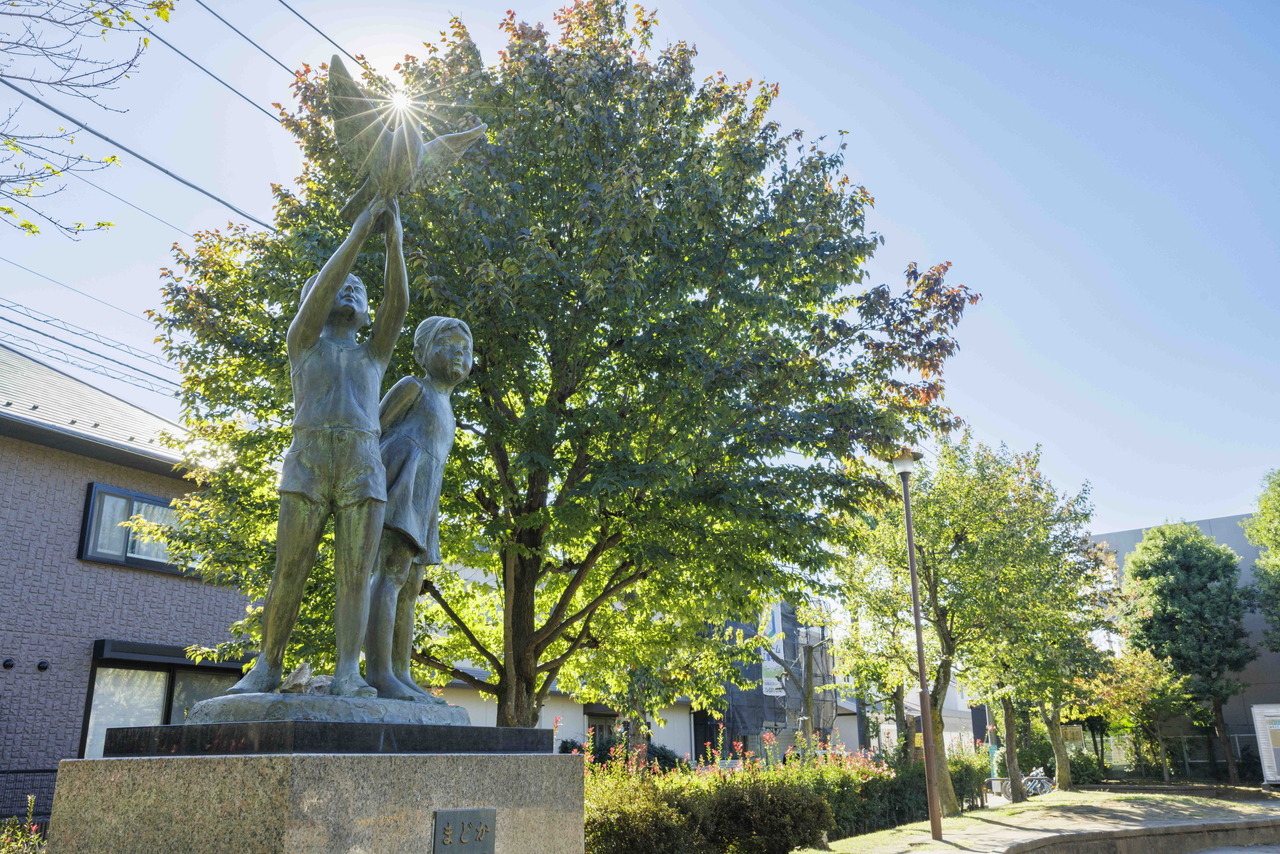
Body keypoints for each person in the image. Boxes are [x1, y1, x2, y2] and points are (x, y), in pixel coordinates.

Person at [229, 198, 408, 697]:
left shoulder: (374, 354)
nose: (350, 288)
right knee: (291, 565)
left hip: (362, 463)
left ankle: (349, 671)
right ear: (319, 297)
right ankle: (267, 665)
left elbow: (399, 306)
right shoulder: (303, 343)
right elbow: (322, 295)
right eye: (340, 284)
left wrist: (393, 241)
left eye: (359, 288)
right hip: (307, 459)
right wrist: (356, 236)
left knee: (356, 573)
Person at [364, 316, 473, 700]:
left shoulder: (448, 407)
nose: (458, 352)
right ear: (421, 352)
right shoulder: (413, 388)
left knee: (411, 587)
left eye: (466, 347)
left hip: (425, 498)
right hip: (400, 485)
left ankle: (400, 670)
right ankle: (378, 672)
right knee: (390, 575)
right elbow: (370, 429)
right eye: (448, 344)